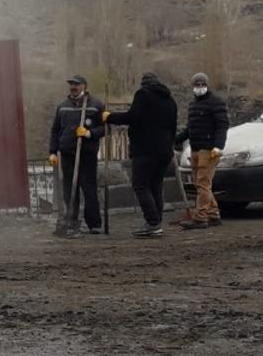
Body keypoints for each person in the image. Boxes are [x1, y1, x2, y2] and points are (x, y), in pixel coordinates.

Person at [102, 73, 178, 237]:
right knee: (155, 186)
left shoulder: (143, 95)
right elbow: (173, 127)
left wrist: (110, 117)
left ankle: (152, 222)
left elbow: (132, 117)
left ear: (144, 84)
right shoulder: (170, 100)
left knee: (141, 185)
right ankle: (156, 222)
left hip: (146, 150)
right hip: (165, 151)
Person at [48, 75, 107, 237]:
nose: (73, 87)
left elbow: (104, 129)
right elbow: (55, 131)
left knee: (89, 189)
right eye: (71, 84)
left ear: (84, 86)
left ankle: (94, 224)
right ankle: (71, 221)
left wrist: (89, 133)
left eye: (76, 84)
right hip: (67, 153)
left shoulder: (96, 105)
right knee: (69, 190)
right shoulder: (63, 107)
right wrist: (53, 152)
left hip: (86, 153)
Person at [174, 72, 229, 230]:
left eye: (202, 84)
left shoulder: (216, 103)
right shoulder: (193, 105)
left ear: (207, 85)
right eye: (196, 85)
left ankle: (200, 218)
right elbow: (190, 129)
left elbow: (222, 125)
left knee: (202, 184)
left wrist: (218, 146)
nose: (199, 87)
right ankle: (213, 215)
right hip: (196, 148)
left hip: (209, 149)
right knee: (202, 184)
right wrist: (175, 140)